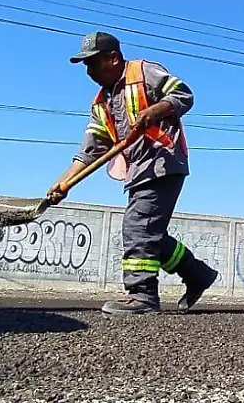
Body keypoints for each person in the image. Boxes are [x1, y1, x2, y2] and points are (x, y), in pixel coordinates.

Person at [49, 31, 218, 315]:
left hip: (163, 163)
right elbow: (91, 150)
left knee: (137, 226)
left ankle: (142, 297)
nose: (88, 71)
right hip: (137, 171)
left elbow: (183, 94)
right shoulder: (101, 103)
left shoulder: (144, 72)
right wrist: (63, 183)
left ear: (112, 58)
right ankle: (198, 274)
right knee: (150, 233)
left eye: (92, 63)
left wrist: (155, 111)